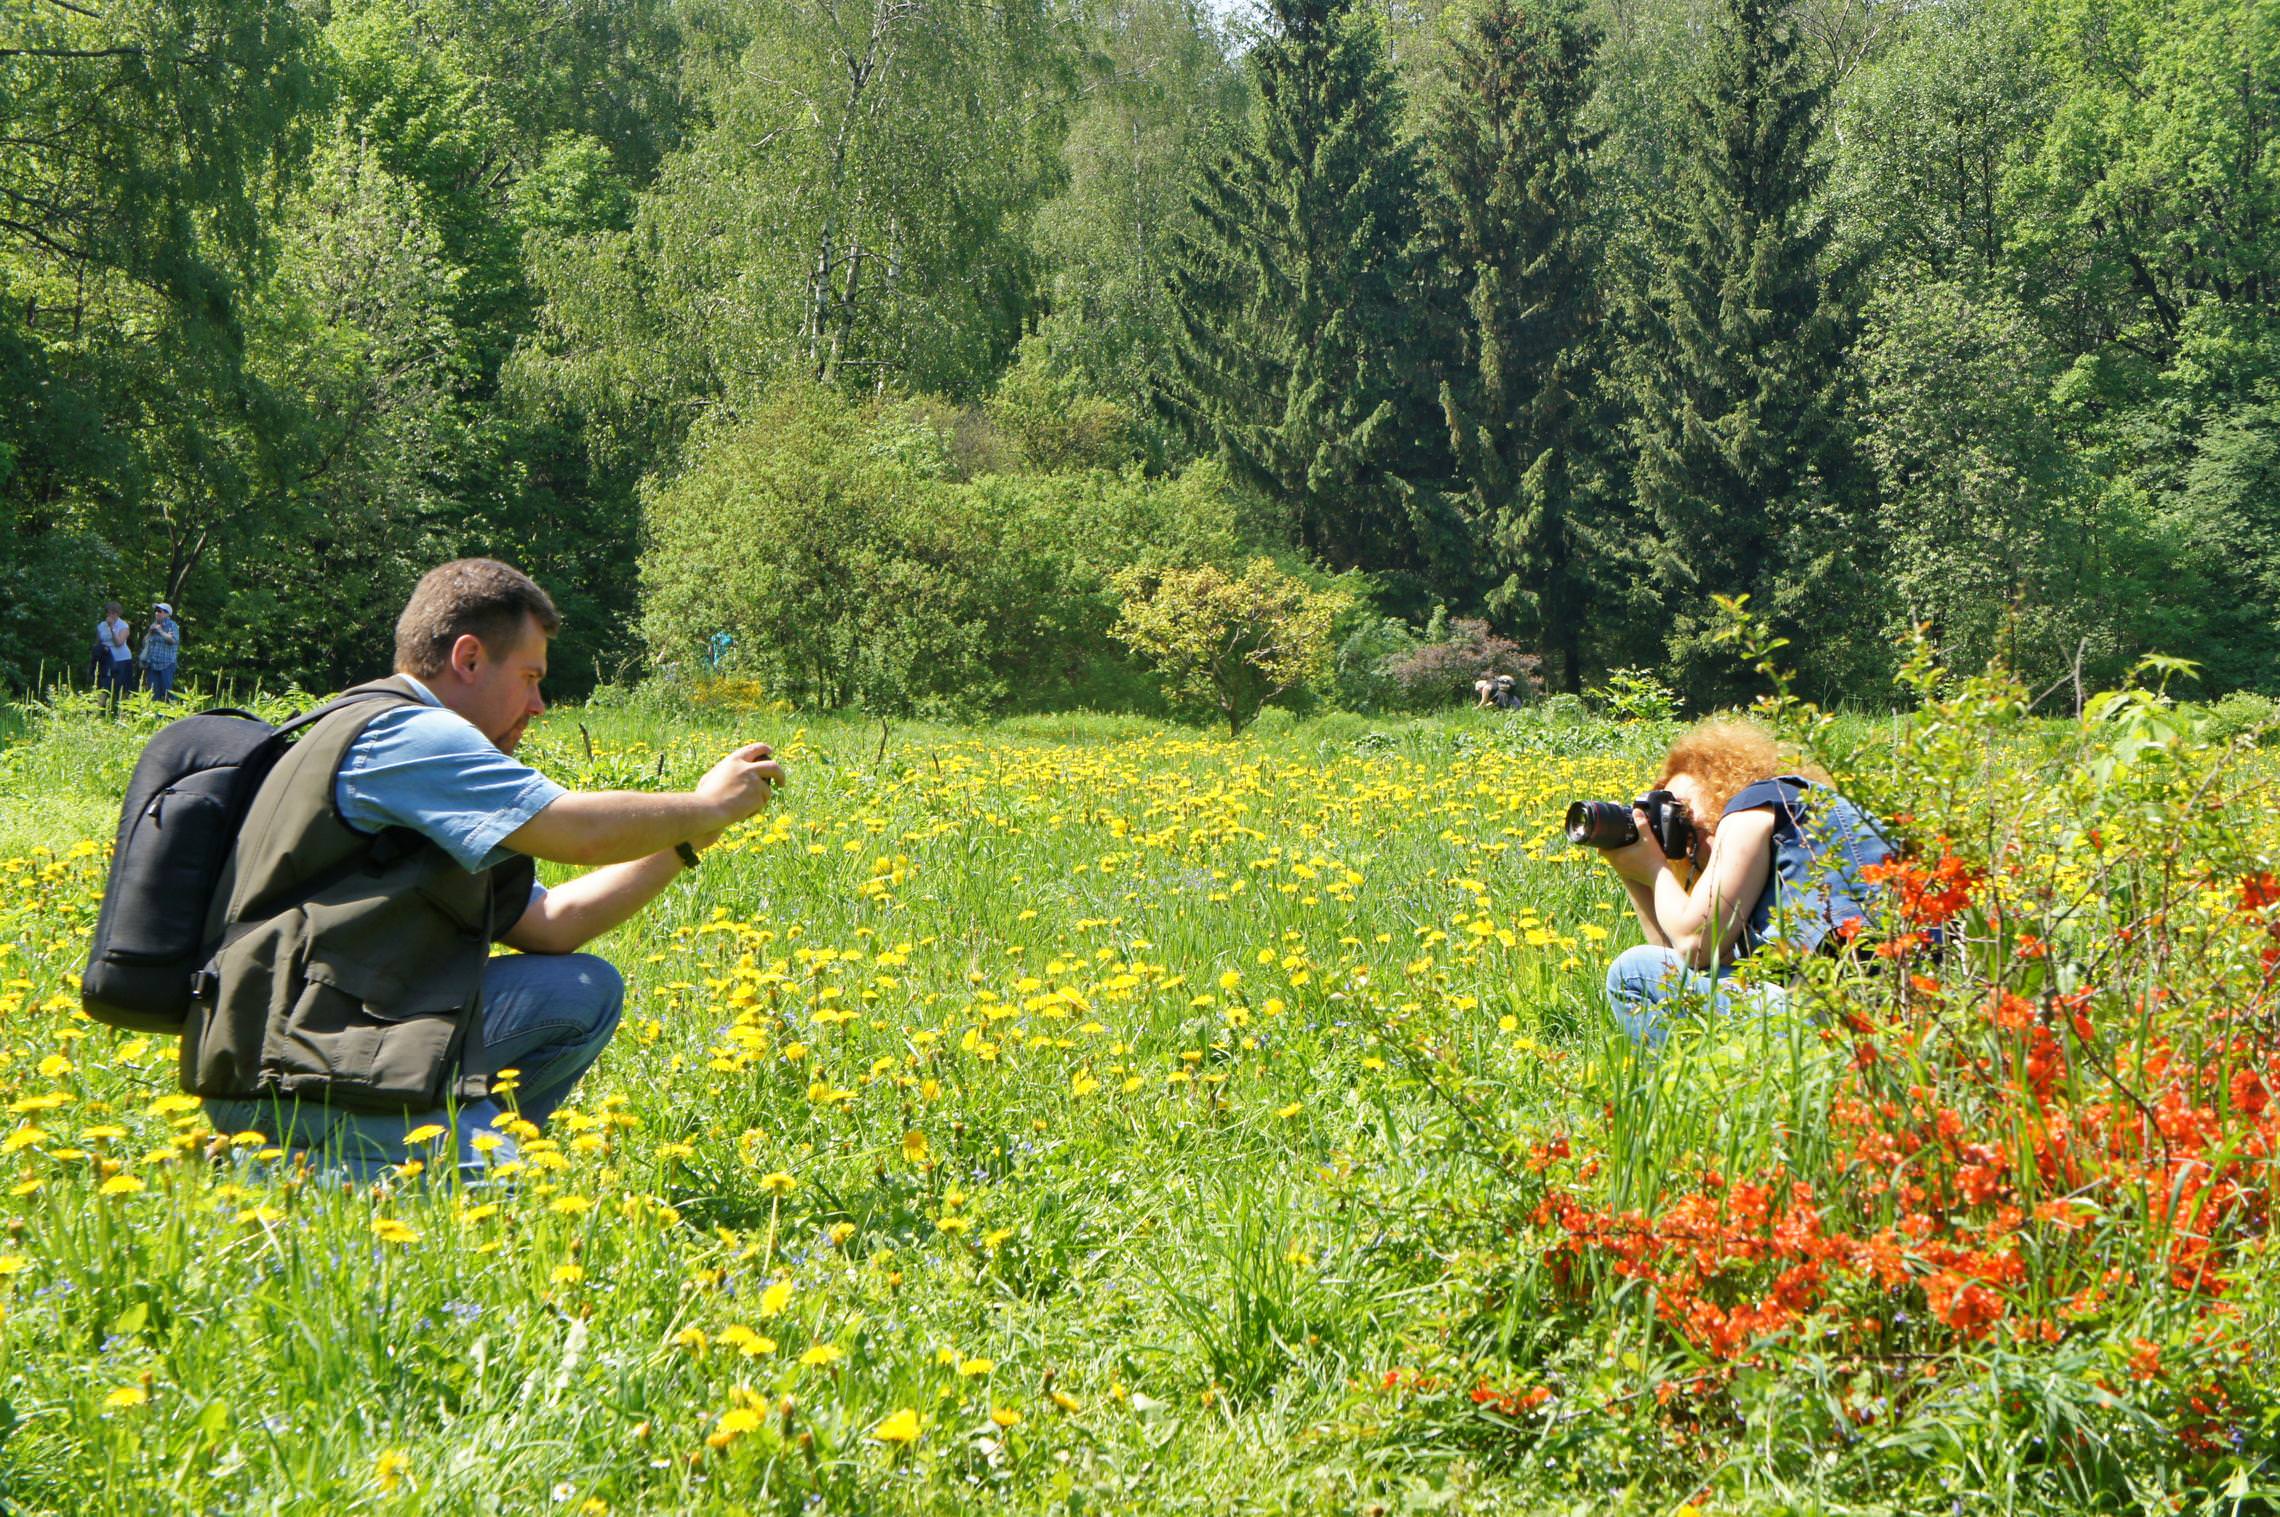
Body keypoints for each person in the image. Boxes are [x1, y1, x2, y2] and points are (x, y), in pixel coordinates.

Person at [184, 558, 787, 1179]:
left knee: (581, 990)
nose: (540, 704)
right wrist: (705, 803)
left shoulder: (409, 748)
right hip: (294, 1063)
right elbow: (576, 831)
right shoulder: (408, 737)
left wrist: (682, 845)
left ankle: (416, 1131)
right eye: (529, 677)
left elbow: (550, 925)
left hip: (338, 1031)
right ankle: (322, 1157)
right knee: (497, 1193)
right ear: (468, 660)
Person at [1594, 718, 1895, 1049]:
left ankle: (1678, 1098)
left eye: (1681, 810)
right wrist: (1631, 868)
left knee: (1632, 972)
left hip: (1847, 1020)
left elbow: (1694, 944)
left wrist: (1654, 868)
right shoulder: (1789, 851)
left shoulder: (1756, 802)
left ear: (1722, 782)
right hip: (1898, 1017)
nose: (1681, 827)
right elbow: (1680, 964)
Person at [140, 602, 181, 701]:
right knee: (153, 693)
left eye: (159, 611)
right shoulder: (153, 625)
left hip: (166, 664)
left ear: (167, 614)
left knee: (168, 692)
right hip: (152, 664)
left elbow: (173, 641)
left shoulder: (172, 625)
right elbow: (144, 643)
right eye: (156, 611)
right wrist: (150, 632)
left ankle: (174, 712)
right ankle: (156, 715)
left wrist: (161, 632)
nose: (156, 613)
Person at [94, 600, 134, 700]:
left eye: (112, 612)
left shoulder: (123, 625)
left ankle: (123, 711)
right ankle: (97, 711)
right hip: (106, 660)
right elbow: (98, 642)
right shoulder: (101, 625)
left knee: (123, 686)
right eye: (108, 612)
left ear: (117, 613)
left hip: (122, 660)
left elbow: (119, 642)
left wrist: (112, 628)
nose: (110, 615)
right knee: (104, 686)